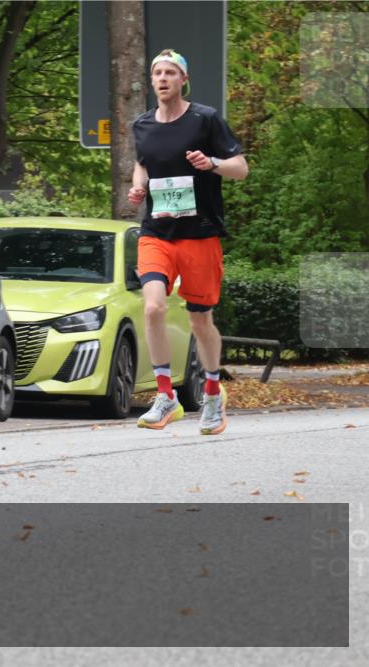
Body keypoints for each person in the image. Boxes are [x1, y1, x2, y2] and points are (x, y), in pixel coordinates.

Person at [127, 49, 249, 435]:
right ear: (151, 80)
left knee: (200, 319)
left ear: (184, 80)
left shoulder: (205, 119)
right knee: (152, 308)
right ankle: (166, 396)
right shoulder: (142, 125)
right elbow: (143, 162)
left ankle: (212, 393)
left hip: (199, 234)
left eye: (170, 72)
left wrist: (211, 163)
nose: (163, 78)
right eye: (157, 73)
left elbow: (241, 168)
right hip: (157, 233)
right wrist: (138, 186)